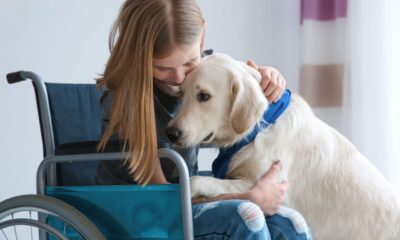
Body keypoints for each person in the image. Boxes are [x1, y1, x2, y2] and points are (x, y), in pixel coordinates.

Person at [96, 0, 312, 239]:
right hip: (140, 215)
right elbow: (163, 196)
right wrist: (247, 196)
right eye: (162, 67)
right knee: (245, 214)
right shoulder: (128, 102)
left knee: (288, 223)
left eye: (188, 62)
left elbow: (234, 77)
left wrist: (268, 75)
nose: (179, 77)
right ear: (138, 54)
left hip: (184, 202)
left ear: (202, 39)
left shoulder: (202, 72)